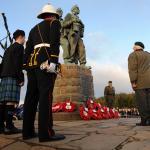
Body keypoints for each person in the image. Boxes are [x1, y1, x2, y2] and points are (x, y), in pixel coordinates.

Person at [22, 3, 65, 142]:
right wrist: (53, 61)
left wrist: (25, 65)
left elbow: (27, 49)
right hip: (45, 62)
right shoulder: (55, 23)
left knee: (30, 98)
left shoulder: (33, 28)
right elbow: (55, 42)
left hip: (32, 64)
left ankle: (27, 132)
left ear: (43, 15)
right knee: (45, 97)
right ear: (53, 15)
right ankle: (45, 133)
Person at [0, 29, 25, 134]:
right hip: (13, 77)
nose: (25, 40)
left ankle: (1, 127)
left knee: (2, 102)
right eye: (24, 37)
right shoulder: (19, 47)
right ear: (21, 37)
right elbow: (17, 64)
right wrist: (20, 78)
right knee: (11, 102)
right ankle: (9, 126)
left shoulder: (8, 48)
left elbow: (2, 64)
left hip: (4, 77)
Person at [128, 42, 150, 126]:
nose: (132, 47)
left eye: (133, 45)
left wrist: (133, 81)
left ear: (137, 46)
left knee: (142, 102)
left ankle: (144, 121)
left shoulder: (133, 55)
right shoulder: (148, 54)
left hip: (140, 82)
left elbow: (132, 69)